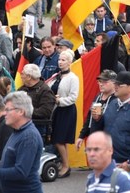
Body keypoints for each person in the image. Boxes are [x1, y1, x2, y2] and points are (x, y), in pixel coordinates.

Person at [0, 91, 44, 193]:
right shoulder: (17, 131)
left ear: (21, 111)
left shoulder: (29, 136)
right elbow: (17, 161)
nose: (4, 113)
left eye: (8, 110)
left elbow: (21, 172)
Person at [92, 71, 130, 186]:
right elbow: (103, 130)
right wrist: (97, 119)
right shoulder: (113, 104)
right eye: (115, 84)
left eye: (119, 85)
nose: (115, 87)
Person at [49, 50, 79, 178]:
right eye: (59, 59)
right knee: (59, 139)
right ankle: (65, 164)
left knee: (59, 140)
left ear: (70, 62)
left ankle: (66, 166)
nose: (60, 62)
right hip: (57, 110)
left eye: (63, 60)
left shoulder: (73, 78)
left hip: (66, 110)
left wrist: (59, 100)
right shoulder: (56, 75)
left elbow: (73, 97)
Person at [76, 70, 118, 147]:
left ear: (114, 83)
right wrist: (81, 136)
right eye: (99, 81)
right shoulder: (98, 97)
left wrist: (99, 118)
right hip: (94, 137)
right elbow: (90, 118)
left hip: (107, 141)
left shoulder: (117, 100)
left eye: (105, 81)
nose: (101, 84)